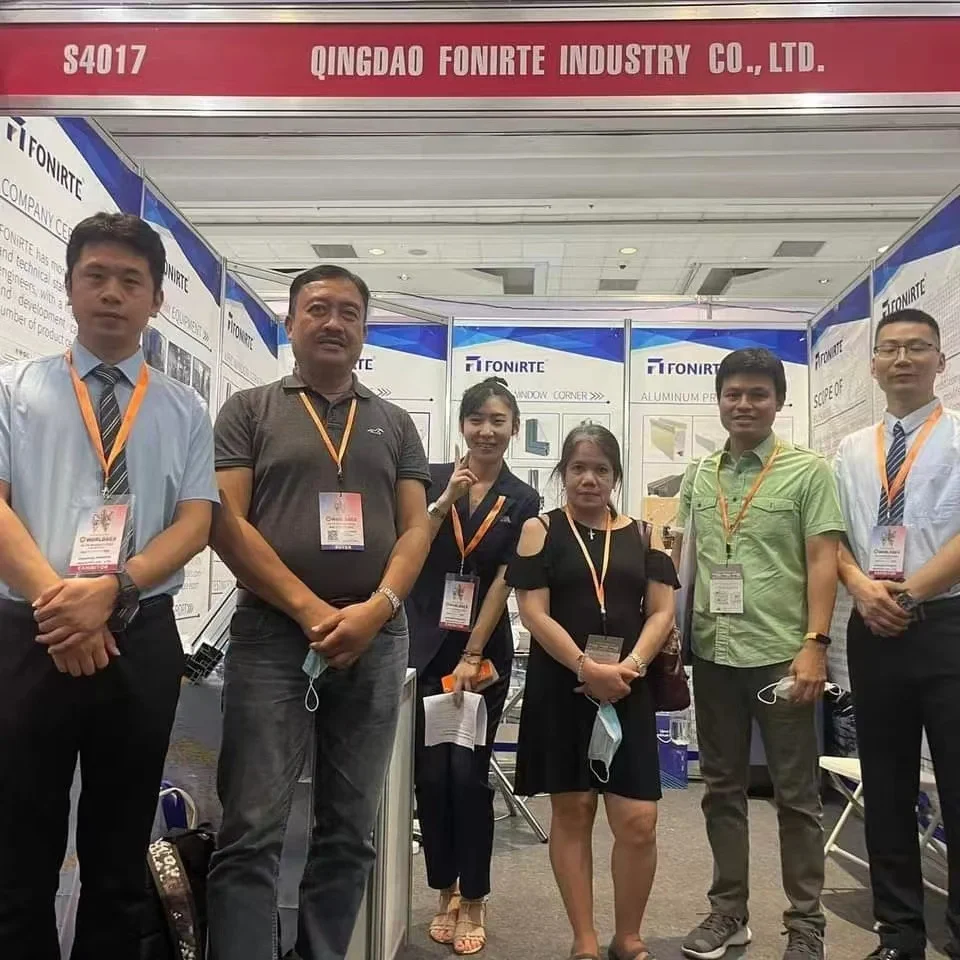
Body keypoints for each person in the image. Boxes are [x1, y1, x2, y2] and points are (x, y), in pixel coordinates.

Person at [0, 213, 217, 959]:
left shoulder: (184, 409)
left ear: (156, 299)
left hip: (140, 631)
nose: (112, 293)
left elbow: (196, 521)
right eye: (96, 276)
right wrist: (62, 606)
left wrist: (112, 591)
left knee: (120, 850)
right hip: (31, 633)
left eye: (131, 280)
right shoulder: (13, 390)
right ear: (68, 288)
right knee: (18, 845)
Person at [207, 263, 432, 960]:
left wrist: (378, 609)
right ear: (290, 323)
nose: (333, 323)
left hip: (376, 640)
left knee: (349, 829)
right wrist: (307, 608)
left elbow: (416, 529)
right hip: (272, 636)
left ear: (365, 330)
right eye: (317, 309)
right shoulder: (249, 410)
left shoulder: (395, 423)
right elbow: (225, 522)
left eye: (349, 313)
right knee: (251, 826)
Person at [671, 347, 844, 960]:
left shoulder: (808, 471)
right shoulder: (699, 475)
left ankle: (806, 924)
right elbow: (682, 558)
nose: (743, 404)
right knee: (721, 790)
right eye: (733, 394)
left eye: (757, 394)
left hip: (781, 657)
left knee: (797, 797)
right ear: (719, 400)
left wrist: (816, 644)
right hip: (714, 653)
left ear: (778, 402)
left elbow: (823, 560)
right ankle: (729, 911)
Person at [508, 424, 678, 960]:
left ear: (615, 476)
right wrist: (587, 666)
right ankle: (583, 939)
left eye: (601, 469)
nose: (589, 479)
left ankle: (628, 936)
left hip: (630, 688)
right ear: (563, 473)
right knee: (574, 810)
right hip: (563, 687)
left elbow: (662, 611)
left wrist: (629, 667)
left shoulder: (646, 534)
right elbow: (533, 612)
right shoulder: (540, 529)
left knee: (639, 821)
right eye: (578, 468)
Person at [835, 308, 960, 960]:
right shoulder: (852, 450)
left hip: (946, 627)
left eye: (918, 348)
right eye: (891, 349)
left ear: (941, 359)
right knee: (884, 787)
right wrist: (861, 587)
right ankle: (899, 935)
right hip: (872, 627)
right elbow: (831, 537)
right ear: (874, 364)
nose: (903, 359)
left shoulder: (959, 437)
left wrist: (908, 594)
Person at [407, 377, 539, 955]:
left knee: (468, 776)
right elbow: (409, 546)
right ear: (462, 424)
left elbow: (505, 582)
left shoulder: (522, 498)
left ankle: (477, 896)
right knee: (429, 778)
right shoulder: (431, 478)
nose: (486, 431)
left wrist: (472, 653)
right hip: (424, 648)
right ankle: (445, 890)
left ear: (514, 429)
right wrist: (444, 502)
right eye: (476, 419)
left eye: (498, 421)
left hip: (480, 656)